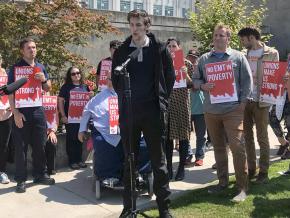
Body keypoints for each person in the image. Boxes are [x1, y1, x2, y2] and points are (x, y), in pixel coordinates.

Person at [112, 9, 175, 218]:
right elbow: (116, 80)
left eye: (139, 25)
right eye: (132, 25)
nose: (135, 29)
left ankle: (164, 208)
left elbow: (169, 77)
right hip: (129, 113)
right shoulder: (122, 51)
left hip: (153, 112)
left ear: (147, 26)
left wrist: (162, 102)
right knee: (129, 162)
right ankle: (129, 208)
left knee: (159, 162)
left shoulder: (159, 48)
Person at [193, 23, 252, 202]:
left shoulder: (238, 57)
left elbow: (247, 82)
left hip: (233, 110)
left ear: (228, 38)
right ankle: (222, 182)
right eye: (215, 35)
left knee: (237, 147)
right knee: (218, 148)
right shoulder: (204, 59)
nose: (217, 38)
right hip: (211, 111)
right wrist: (202, 85)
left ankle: (242, 187)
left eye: (221, 35)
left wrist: (242, 104)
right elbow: (195, 80)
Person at [8, 38, 55, 193]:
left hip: (38, 111)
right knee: (20, 148)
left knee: (40, 146)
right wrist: (15, 113)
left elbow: (48, 88)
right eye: (29, 48)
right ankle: (21, 180)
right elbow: (10, 93)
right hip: (21, 112)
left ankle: (40, 174)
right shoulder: (15, 68)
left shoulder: (40, 67)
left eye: (34, 47)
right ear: (22, 50)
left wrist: (44, 80)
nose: (32, 50)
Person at [238, 26, 279, 183]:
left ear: (252, 38)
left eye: (243, 40)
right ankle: (251, 169)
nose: (242, 43)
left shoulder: (271, 53)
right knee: (247, 137)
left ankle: (264, 171)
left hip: (262, 101)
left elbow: (274, 75)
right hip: (246, 100)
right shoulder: (242, 55)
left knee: (262, 137)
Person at [78, 71, 124, 180]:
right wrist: (82, 129)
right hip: (104, 132)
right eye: (108, 79)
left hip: (126, 131)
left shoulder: (128, 93)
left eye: (111, 79)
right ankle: (108, 175)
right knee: (101, 143)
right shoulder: (98, 97)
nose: (109, 82)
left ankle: (138, 173)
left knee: (142, 144)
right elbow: (87, 112)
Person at [165, 37, 193, 181]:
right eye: (169, 46)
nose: (171, 48)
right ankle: (169, 168)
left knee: (183, 138)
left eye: (174, 46)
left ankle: (181, 167)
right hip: (167, 105)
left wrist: (185, 73)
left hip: (182, 104)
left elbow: (193, 85)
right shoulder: (163, 63)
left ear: (179, 48)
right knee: (168, 139)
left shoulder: (186, 63)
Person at [58, 67, 90, 170]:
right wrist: (63, 116)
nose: (76, 75)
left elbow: (89, 102)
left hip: (82, 119)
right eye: (73, 74)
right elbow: (60, 102)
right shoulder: (66, 87)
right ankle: (72, 161)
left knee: (80, 139)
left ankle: (79, 160)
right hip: (70, 119)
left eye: (78, 72)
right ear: (69, 76)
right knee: (71, 139)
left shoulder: (85, 87)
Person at [187, 49, 207, 166]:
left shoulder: (203, 70)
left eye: (195, 58)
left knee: (201, 135)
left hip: (200, 107)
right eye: (190, 57)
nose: (193, 60)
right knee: (185, 135)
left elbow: (196, 86)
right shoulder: (182, 70)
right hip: (186, 107)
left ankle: (199, 156)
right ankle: (188, 155)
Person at [0, 54, 13, 184]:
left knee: (4, 146)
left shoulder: (8, 74)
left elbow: (15, 91)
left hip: (6, 116)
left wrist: (11, 106)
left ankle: (2, 172)